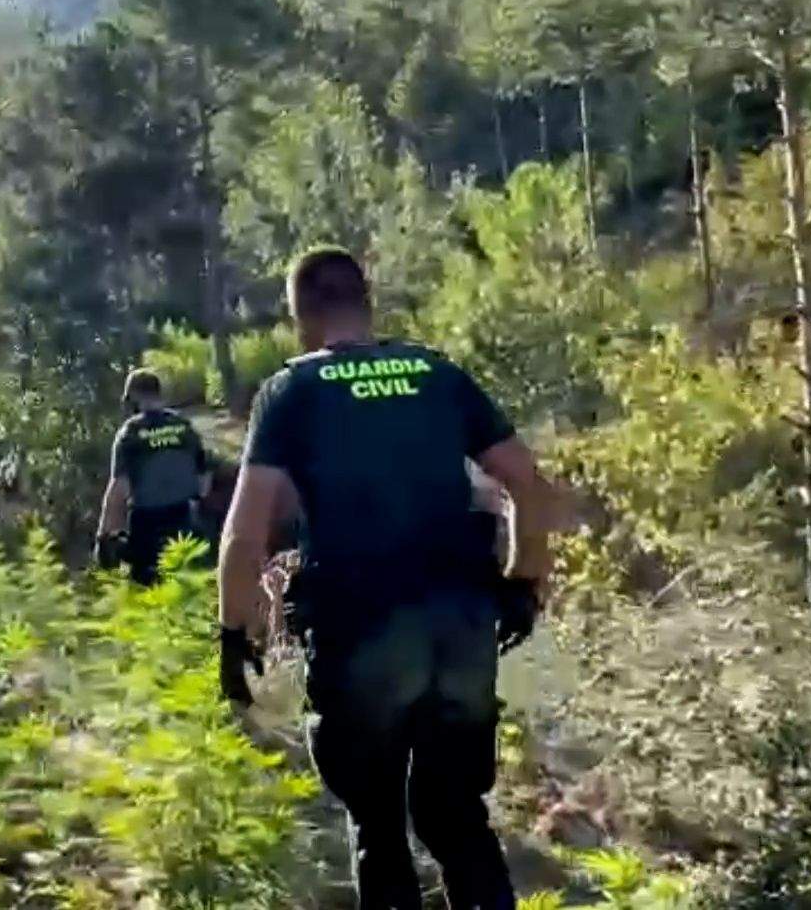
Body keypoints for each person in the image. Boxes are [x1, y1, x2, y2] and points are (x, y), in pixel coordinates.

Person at [215, 247, 566, 910]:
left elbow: (244, 534)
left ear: (300, 316)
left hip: (362, 632)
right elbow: (528, 483)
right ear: (367, 302)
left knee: (378, 824)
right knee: (456, 815)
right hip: (460, 625)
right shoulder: (439, 374)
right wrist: (524, 581)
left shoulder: (290, 391)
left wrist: (235, 636)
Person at [93, 368, 212, 585]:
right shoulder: (184, 428)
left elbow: (120, 489)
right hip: (185, 524)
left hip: (147, 527)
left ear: (134, 397)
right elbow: (204, 481)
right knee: (188, 592)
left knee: (148, 597)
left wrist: (104, 536)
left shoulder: (131, 433)